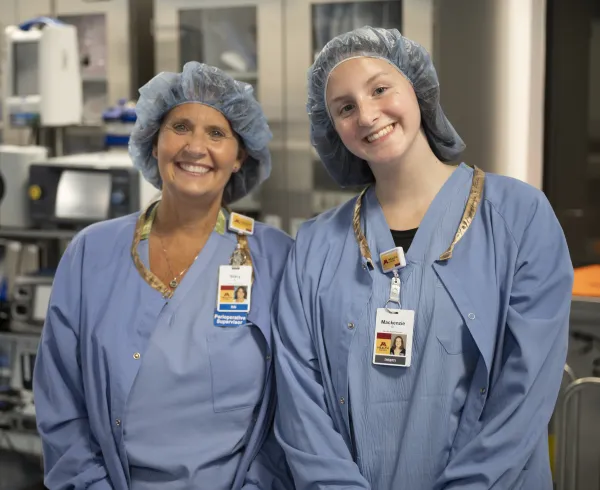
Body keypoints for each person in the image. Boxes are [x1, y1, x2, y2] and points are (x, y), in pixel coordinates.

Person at [273, 26, 573, 490]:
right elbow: (301, 403)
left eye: (379, 89)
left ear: (417, 90)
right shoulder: (315, 245)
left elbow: (526, 388)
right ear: (331, 127)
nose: (368, 115)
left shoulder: (519, 217)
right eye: (345, 108)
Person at [33, 61, 293, 490]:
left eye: (217, 133)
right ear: (154, 143)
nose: (196, 146)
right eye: (181, 127)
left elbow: (293, 410)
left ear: (239, 155)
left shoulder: (276, 259)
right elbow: (61, 403)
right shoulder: (91, 253)